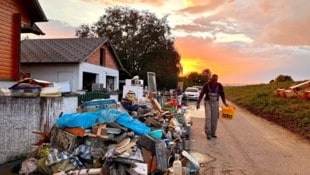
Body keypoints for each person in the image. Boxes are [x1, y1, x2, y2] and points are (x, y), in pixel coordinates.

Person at [196, 74, 228, 140]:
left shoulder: (219, 85)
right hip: (208, 102)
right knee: (208, 118)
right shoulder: (206, 85)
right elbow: (202, 93)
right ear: (211, 79)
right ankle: (208, 133)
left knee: (214, 118)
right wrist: (198, 102)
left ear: (217, 80)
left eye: (216, 80)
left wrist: (224, 102)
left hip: (215, 103)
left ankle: (213, 133)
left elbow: (222, 94)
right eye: (213, 80)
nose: (214, 81)